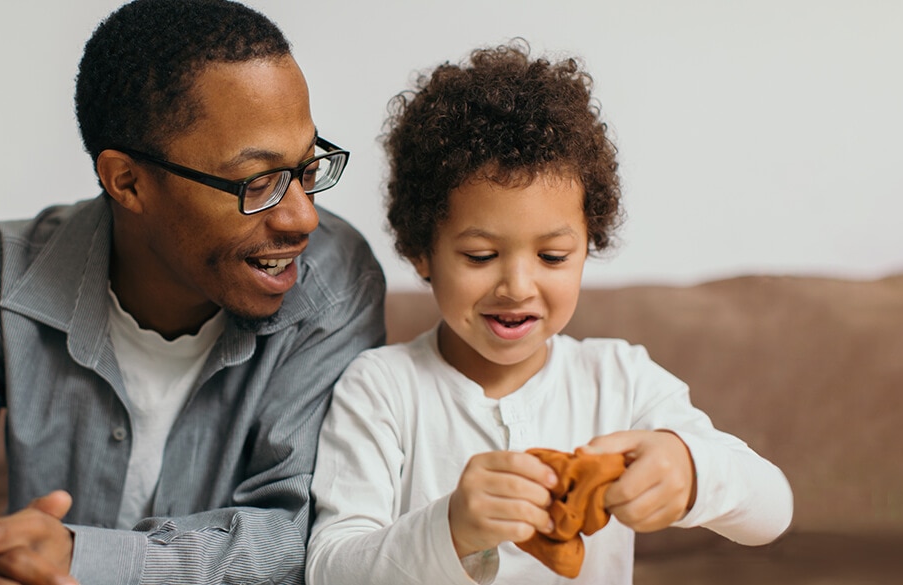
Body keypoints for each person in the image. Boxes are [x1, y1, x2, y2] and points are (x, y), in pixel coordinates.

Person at [0, 1, 386, 584]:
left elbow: (300, 535)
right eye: (260, 182)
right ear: (126, 181)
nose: (303, 219)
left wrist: (79, 558)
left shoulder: (334, 284)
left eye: (308, 169)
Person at [305, 43, 792, 584]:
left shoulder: (620, 380)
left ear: (589, 246)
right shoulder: (380, 390)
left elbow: (773, 511)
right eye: (481, 256)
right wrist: (451, 528)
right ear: (422, 251)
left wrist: (692, 471)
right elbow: (330, 569)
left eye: (553, 257)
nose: (517, 286)